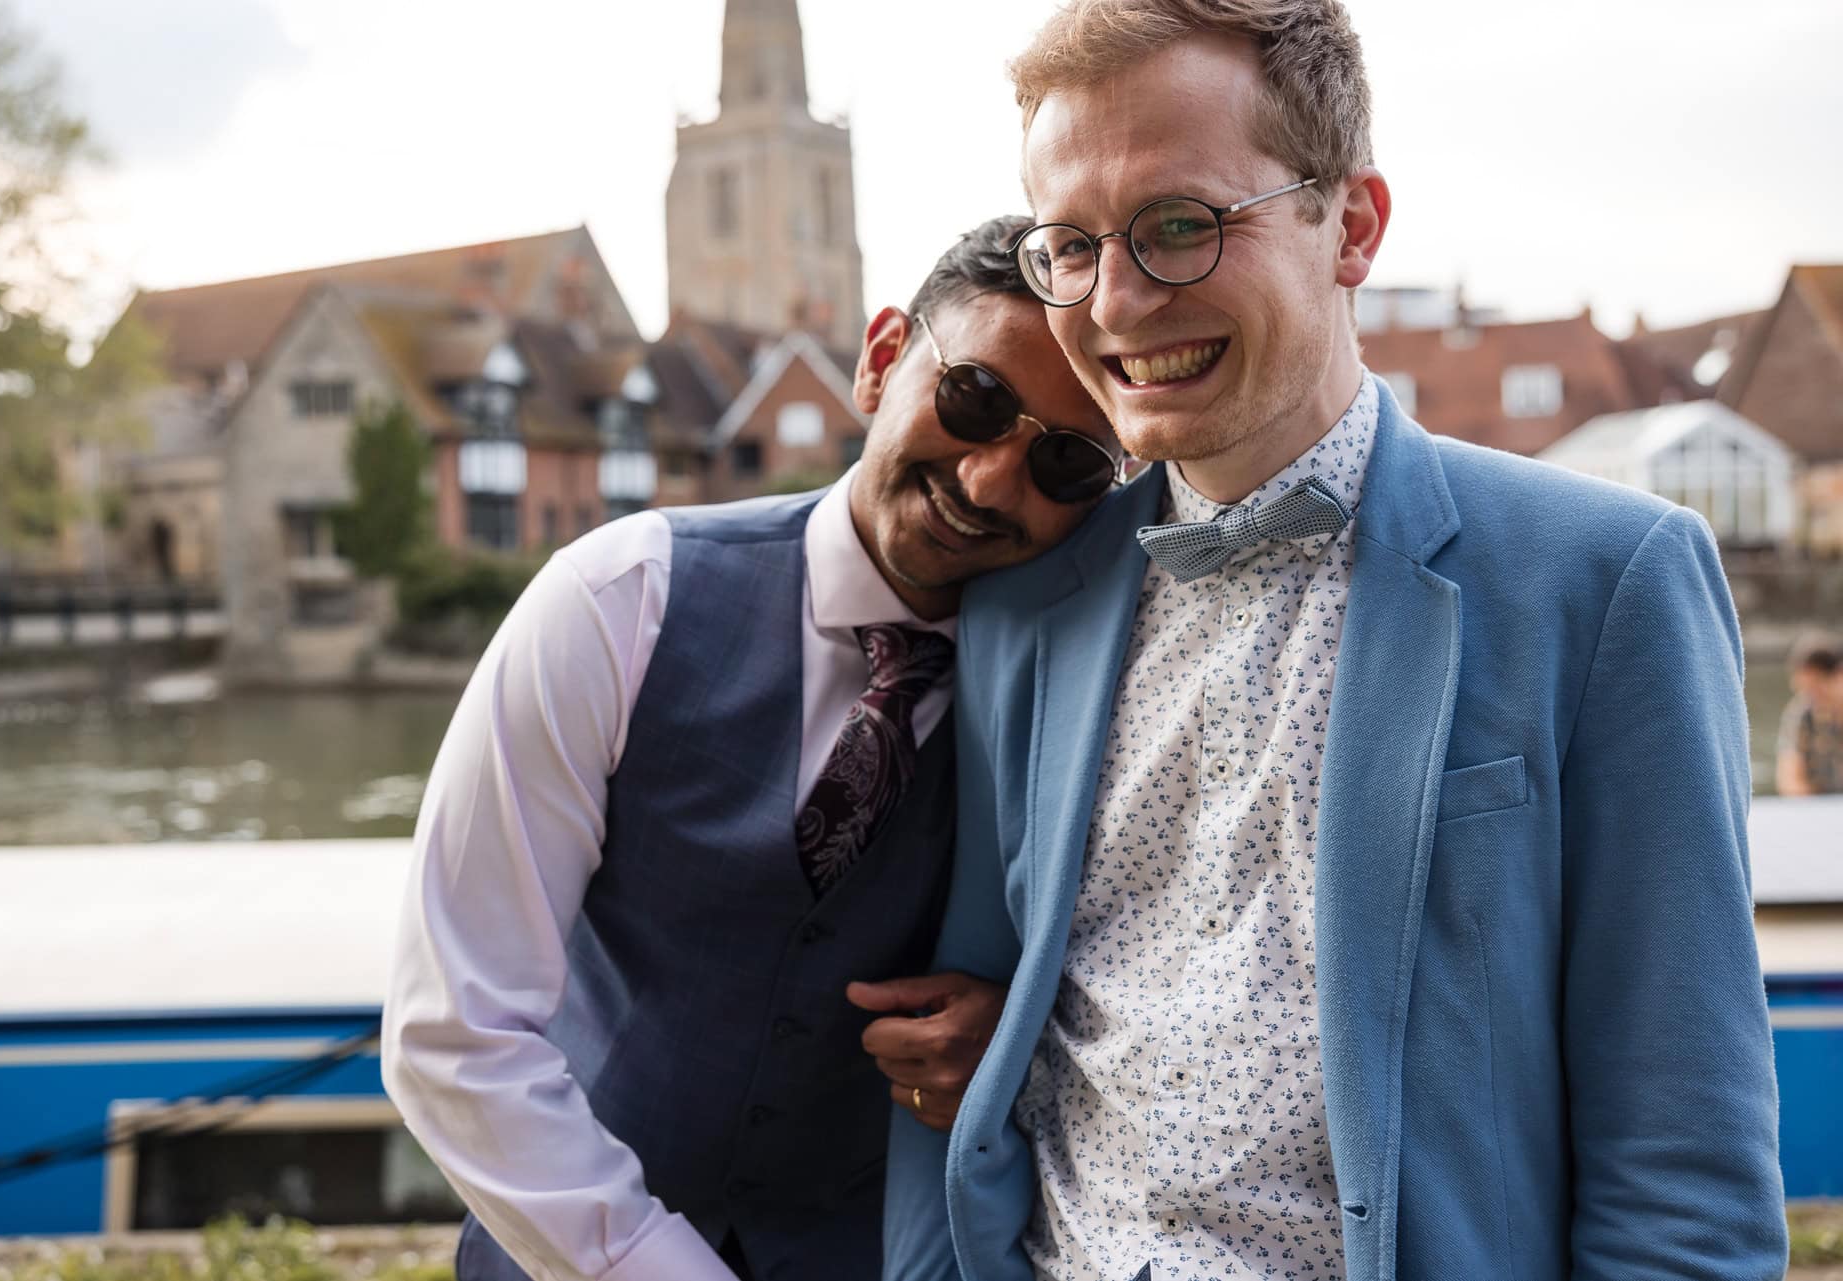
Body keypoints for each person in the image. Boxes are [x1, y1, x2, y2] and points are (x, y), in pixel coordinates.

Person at [884, 3, 1788, 1279]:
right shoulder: (1029, 600)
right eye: (1071, 246)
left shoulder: (1607, 584)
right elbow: (949, 1067)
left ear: (1351, 224)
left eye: (1180, 227)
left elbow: (1686, 1186)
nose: (1120, 302)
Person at [381, 216, 1124, 1281]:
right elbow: (454, 1033)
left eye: (1065, 462)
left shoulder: (1085, 694)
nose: (990, 481)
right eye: (974, 402)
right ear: (879, 360)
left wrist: (1024, 1051)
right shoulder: (618, 602)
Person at [1777, 632, 1843, 795]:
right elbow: (1789, 780)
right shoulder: (1800, 715)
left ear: (1839, 675)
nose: (1811, 697)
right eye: (1806, 690)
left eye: (1816, 687)